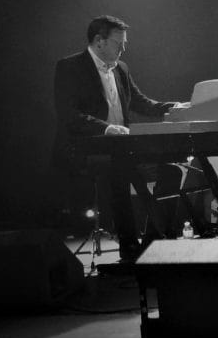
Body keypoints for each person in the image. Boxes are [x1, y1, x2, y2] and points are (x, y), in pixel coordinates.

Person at [53, 15, 187, 261]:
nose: (123, 49)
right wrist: (106, 128)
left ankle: (153, 240)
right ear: (99, 41)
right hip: (87, 151)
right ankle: (129, 247)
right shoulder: (69, 67)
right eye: (119, 43)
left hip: (122, 149)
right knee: (120, 170)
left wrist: (175, 107)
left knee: (172, 172)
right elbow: (69, 115)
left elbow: (140, 102)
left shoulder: (121, 69)